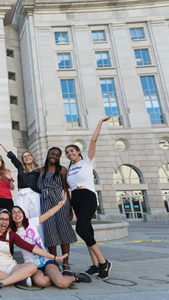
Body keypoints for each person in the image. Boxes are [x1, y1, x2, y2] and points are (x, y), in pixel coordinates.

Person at [65, 116, 113, 280]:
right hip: (76, 199)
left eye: (72, 151)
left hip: (87, 197)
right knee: (88, 231)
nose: (70, 154)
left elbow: (93, 141)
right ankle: (95, 264)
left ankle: (103, 262)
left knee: (81, 229)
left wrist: (99, 122)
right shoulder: (68, 168)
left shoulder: (87, 161)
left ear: (78, 151)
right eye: (67, 153)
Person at [11, 192, 92, 289]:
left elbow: (49, 214)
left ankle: (74, 277)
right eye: (14, 212)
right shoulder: (12, 233)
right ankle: (56, 277)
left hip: (46, 261)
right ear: (10, 216)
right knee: (41, 282)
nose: (17, 214)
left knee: (62, 284)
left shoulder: (31, 222)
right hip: (32, 265)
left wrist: (62, 203)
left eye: (19, 211)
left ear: (23, 214)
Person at [0, 208, 68, 290]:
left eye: (7, 219)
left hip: (9, 266)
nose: (4, 221)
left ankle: (1, 282)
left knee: (32, 266)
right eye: (2, 219)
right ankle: (19, 279)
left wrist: (54, 257)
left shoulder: (11, 234)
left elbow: (31, 248)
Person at [38, 147, 77, 271]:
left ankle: (65, 262)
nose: (54, 156)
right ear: (48, 154)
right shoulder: (41, 170)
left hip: (60, 202)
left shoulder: (62, 170)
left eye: (57, 155)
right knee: (49, 231)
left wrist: (70, 208)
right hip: (45, 203)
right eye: (52, 154)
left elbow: (65, 189)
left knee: (64, 230)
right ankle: (55, 261)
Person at [0, 143, 43, 239]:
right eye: (24, 157)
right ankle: (26, 242)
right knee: (22, 219)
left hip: (34, 196)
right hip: (22, 196)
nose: (26, 158)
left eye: (28, 156)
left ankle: (40, 242)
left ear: (32, 157)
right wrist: (2, 144)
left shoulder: (39, 170)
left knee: (36, 219)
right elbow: (11, 156)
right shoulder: (21, 167)